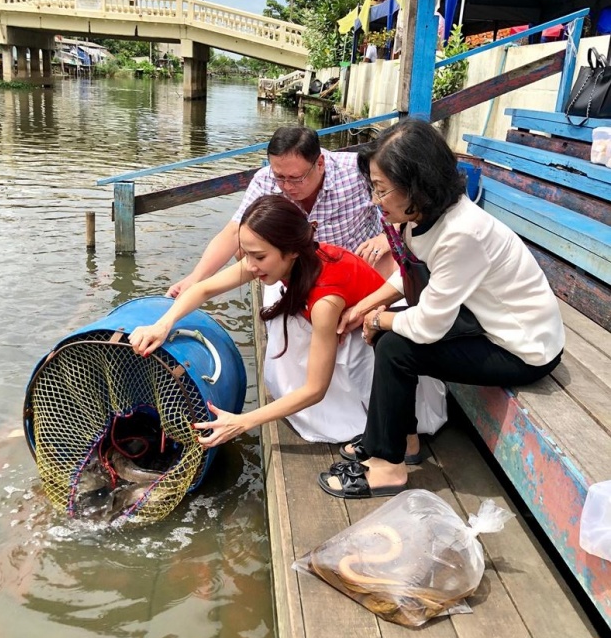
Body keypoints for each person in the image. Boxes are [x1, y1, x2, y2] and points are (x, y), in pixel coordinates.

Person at [319, 119, 565, 499]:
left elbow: (428, 326)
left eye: (382, 191)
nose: (374, 201)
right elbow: (415, 276)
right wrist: (369, 307)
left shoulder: (462, 232)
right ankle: (403, 439)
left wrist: (377, 319)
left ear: (417, 186)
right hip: (485, 320)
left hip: (524, 346)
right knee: (392, 335)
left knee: (396, 346)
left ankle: (389, 465)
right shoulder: (423, 218)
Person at [130, 194, 387, 445]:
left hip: (371, 348)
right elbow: (203, 289)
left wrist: (243, 421)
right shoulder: (282, 261)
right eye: (247, 254)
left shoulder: (325, 302)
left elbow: (315, 389)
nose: (250, 266)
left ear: (292, 251)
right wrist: (162, 324)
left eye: (260, 257)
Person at [166, 125, 393, 298]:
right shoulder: (265, 181)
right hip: (296, 273)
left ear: (320, 163)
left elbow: (410, 201)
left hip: (360, 267)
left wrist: (388, 237)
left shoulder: (357, 170)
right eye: (280, 177)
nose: (287, 186)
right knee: (245, 250)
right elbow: (232, 232)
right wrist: (196, 279)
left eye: (296, 178)